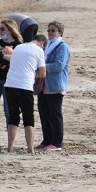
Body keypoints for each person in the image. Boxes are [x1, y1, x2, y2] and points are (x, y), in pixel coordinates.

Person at [4, 34, 47, 153]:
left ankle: (10, 148)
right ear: (42, 43)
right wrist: (33, 74)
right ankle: (30, 149)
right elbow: (43, 74)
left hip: (10, 84)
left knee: (13, 118)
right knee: (28, 118)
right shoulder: (39, 50)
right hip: (25, 86)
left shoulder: (18, 47)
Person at [0, 19, 23, 147]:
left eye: (2, 29)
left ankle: (9, 143)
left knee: (9, 111)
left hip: (10, 81)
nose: (0, 31)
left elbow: (17, 61)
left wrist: (0, 56)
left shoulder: (18, 45)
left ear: (10, 30)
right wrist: (5, 57)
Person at [36, 22, 70, 151]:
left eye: (53, 30)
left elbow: (59, 65)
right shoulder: (45, 46)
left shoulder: (62, 47)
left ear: (60, 32)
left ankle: (56, 143)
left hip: (55, 85)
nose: (50, 32)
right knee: (44, 114)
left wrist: (42, 68)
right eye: (49, 30)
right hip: (43, 85)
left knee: (55, 115)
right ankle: (46, 140)